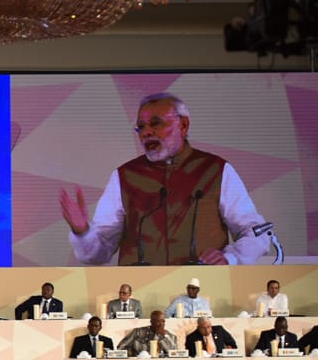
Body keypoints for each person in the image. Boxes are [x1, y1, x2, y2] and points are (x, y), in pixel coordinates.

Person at [60, 92, 270, 266]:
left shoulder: (216, 170)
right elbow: (97, 255)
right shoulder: (124, 176)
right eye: (140, 127)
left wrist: (230, 258)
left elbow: (257, 233)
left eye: (156, 123)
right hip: (139, 297)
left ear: (184, 125)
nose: (146, 133)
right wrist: (82, 232)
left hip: (203, 294)